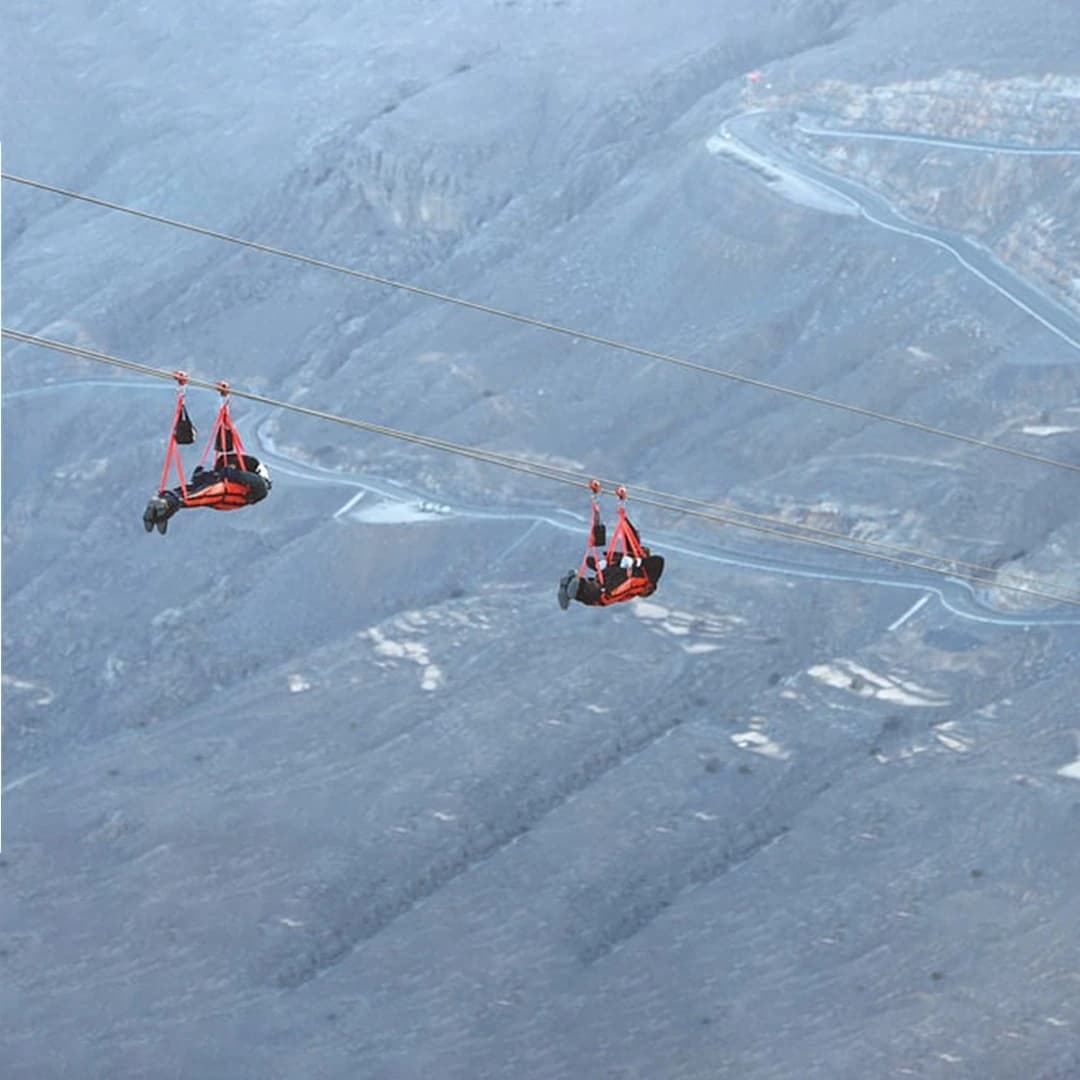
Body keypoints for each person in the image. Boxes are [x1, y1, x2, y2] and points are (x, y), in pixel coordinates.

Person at [143, 452, 271, 535]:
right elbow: (212, 478)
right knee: (195, 493)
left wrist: (234, 474)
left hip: (226, 493)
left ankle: (166, 504)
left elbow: (259, 484)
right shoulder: (230, 478)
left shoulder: (255, 486)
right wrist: (200, 476)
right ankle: (165, 504)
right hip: (225, 495)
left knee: (197, 495)